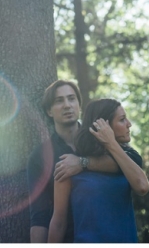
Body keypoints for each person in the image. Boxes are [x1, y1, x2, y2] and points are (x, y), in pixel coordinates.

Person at [27, 80, 125, 243]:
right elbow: (39, 217)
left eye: (71, 99)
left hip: (112, 236)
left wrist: (82, 163)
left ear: (79, 105)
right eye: (59, 101)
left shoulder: (101, 139)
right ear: (49, 111)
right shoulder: (39, 157)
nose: (67, 105)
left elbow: (127, 162)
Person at [48, 98, 149, 243]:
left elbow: (142, 186)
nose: (129, 124)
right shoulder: (69, 166)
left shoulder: (129, 159)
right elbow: (58, 223)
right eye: (122, 120)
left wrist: (110, 143)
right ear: (103, 126)